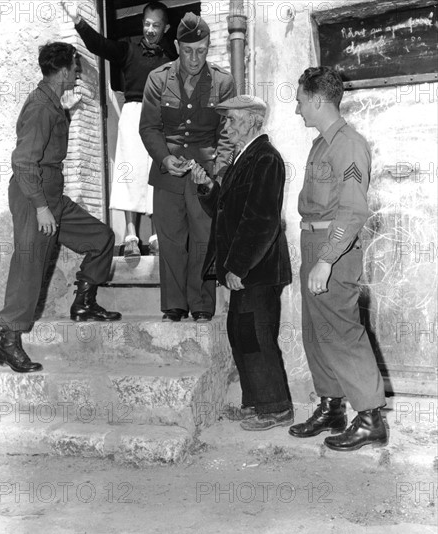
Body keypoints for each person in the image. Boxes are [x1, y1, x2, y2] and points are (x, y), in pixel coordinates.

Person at [0, 42, 121, 374]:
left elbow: (46, 138)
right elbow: (23, 162)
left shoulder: (51, 104)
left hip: (52, 193)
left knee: (101, 237)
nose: (77, 74)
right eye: (76, 69)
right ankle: (8, 342)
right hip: (33, 193)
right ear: (64, 71)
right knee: (29, 266)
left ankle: (83, 302)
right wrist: (40, 208)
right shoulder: (39, 107)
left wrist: (68, 111)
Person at [289, 66, 388, 451]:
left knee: (343, 332)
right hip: (315, 244)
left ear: (317, 100)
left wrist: (328, 258)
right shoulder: (320, 144)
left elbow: (352, 212)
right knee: (317, 332)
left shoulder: (348, 144)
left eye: (300, 102)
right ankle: (332, 407)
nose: (298, 110)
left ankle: (370, 419)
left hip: (335, 249)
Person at [192, 95, 293, 431]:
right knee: (242, 333)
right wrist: (208, 186)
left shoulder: (265, 158)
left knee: (257, 334)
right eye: (226, 120)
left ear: (252, 120)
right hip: (246, 268)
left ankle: (276, 407)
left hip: (256, 269)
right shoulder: (244, 158)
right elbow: (226, 208)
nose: (226, 126)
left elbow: (260, 219)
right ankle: (256, 402)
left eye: (232, 120)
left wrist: (238, 265)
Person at [140, 12, 235, 323]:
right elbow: (149, 127)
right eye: (189, 50)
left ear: (208, 48)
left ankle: (203, 304)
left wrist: (216, 172)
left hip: (204, 174)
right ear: (178, 46)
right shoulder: (157, 79)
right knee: (170, 239)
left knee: (204, 239)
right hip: (168, 173)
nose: (195, 58)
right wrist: (165, 158)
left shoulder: (223, 81)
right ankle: (175, 304)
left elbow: (227, 133)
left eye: (202, 50)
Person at [62, 1, 176, 257]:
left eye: (156, 25)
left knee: (156, 173)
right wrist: (79, 22)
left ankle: (157, 237)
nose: (149, 29)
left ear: (165, 27)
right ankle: (131, 236)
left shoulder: (172, 57)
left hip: (160, 118)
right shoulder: (128, 49)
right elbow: (98, 45)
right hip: (133, 114)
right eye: (146, 24)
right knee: (130, 171)